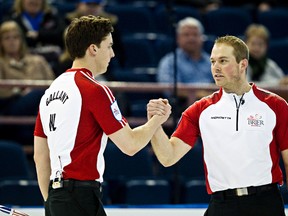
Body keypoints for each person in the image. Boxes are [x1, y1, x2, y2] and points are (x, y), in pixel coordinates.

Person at [33, 15, 171, 216]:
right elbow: (130, 145)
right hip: (81, 196)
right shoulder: (95, 90)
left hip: (57, 197)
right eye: (109, 46)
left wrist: (50, 202)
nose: (113, 54)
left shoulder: (49, 93)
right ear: (93, 49)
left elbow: (40, 156)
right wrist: (157, 119)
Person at [148, 35, 288, 216]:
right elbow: (168, 157)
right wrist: (155, 124)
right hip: (222, 205)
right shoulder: (199, 110)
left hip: (266, 203)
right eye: (213, 61)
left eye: (223, 61)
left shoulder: (275, 105)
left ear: (243, 64)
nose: (216, 67)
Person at [0, 20, 55, 145]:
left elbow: (54, 85)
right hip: (12, 107)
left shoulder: (38, 61)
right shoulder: (1, 63)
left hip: (42, 108)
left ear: (21, 40)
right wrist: (19, 91)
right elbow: (1, 92)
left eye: (15, 37)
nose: (12, 41)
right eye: (7, 38)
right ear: (1, 42)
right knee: (38, 93)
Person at [157, 17, 213, 84]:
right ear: (178, 39)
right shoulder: (170, 62)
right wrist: (200, 93)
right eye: (186, 35)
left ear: (202, 38)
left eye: (195, 35)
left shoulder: (212, 62)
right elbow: (169, 88)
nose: (191, 38)